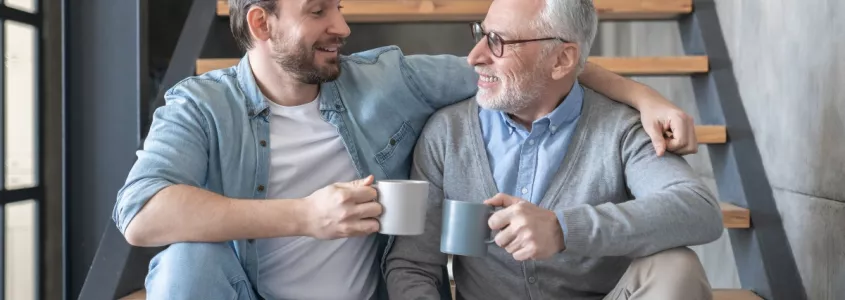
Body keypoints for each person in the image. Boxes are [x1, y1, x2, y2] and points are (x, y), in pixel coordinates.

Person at [114, 0, 701, 299]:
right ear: (263, 25)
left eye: (337, 5)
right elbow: (141, 215)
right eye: (319, 10)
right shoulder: (201, 106)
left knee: (677, 268)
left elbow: (515, 70)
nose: (343, 25)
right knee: (186, 260)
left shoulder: (386, 80)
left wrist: (638, 94)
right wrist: (305, 216)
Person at [383, 0, 724, 299]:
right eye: (481, 33)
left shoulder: (621, 129)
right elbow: (413, 264)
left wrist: (563, 229)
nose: (474, 57)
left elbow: (698, 209)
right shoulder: (447, 133)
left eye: (498, 41)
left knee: (678, 267)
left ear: (562, 59)